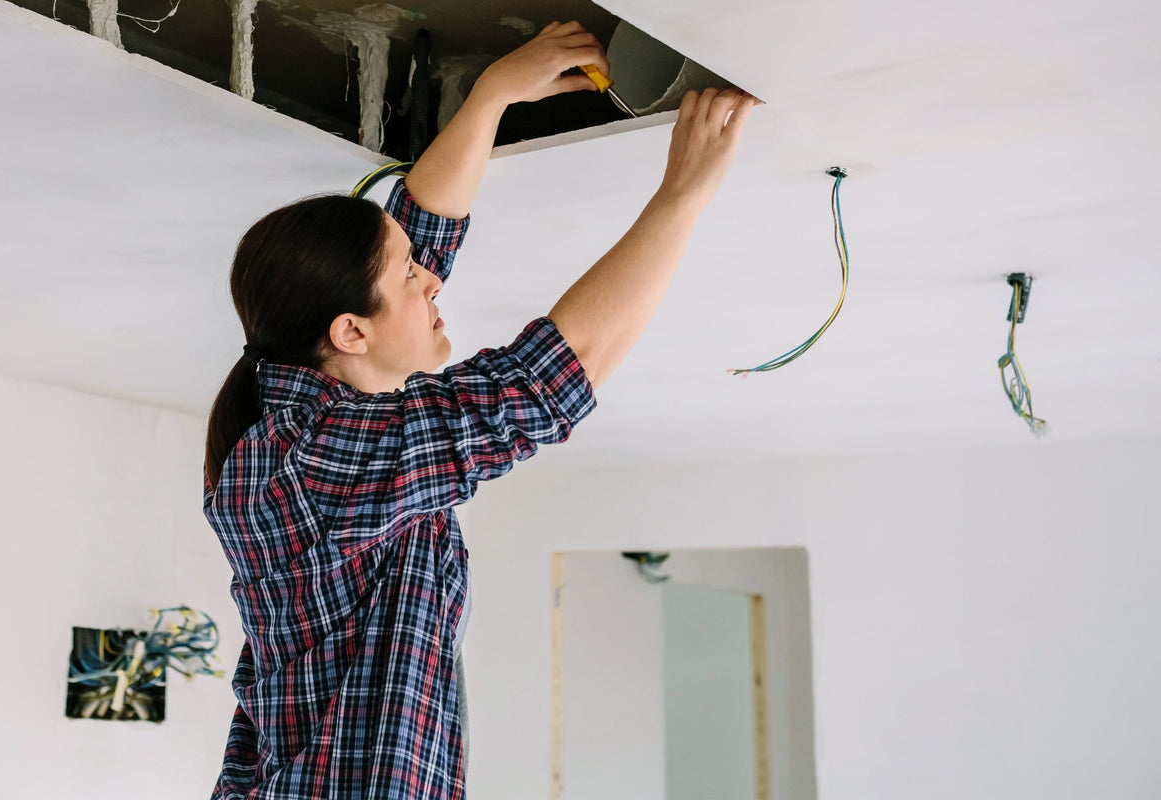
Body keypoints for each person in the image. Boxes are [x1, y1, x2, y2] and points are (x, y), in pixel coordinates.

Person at [202, 20, 752, 800]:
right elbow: (546, 381)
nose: (431, 283)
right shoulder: (319, 455)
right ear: (349, 333)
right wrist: (684, 191)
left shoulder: (313, 437)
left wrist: (496, 91)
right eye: (410, 281)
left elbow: (440, 274)